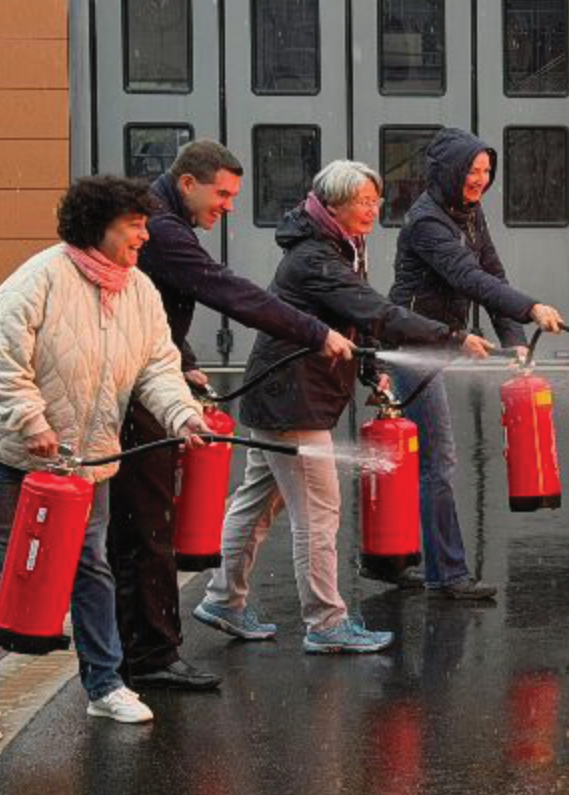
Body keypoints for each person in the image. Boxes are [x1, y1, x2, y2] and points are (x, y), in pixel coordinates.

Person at [0, 176, 212, 746]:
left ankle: (106, 685)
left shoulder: (139, 290)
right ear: (97, 227)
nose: (145, 235)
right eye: (134, 226)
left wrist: (183, 417)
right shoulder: (36, 281)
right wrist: (33, 424)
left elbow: (158, 367)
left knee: (91, 566)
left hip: (86, 456)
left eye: (145, 224)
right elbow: (0, 364)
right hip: (13, 449)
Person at [196, 161, 493, 653]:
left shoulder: (339, 245)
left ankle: (223, 599)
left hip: (279, 396)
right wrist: (451, 337)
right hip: (293, 401)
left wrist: (369, 370)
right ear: (332, 205)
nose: (374, 211)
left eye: (377, 201)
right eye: (363, 202)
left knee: (257, 503)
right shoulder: (316, 257)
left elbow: (352, 319)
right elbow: (375, 311)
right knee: (318, 512)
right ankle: (325, 622)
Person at [106, 141, 358, 695]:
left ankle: (142, 648)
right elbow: (228, 292)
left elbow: (153, 312)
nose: (229, 206)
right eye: (222, 194)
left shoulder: (165, 224)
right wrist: (314, 331)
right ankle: (149, 656)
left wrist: (185, 362)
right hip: (135, 392)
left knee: (143, 526)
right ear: (188, 183)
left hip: (147, 378)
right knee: (146, 528)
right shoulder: (164, 231)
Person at [388, 127, 564, 602]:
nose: (481, 179)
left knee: (421, 458)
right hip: (413, 344)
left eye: (487, 171)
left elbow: (491, 275)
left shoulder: (468, 212)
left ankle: (394, 558)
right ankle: (447, 575)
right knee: (438, 459)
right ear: (449, 170)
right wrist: (531, 308)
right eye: (473, 170)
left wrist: (515, 341)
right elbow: (467, 277)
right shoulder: (427, 221)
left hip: (440, 340)